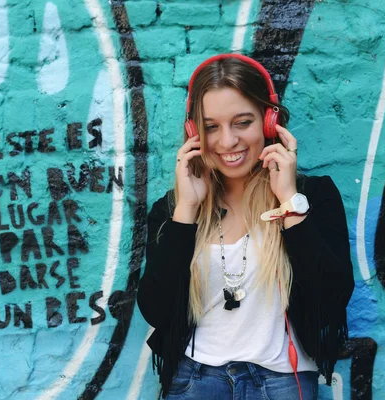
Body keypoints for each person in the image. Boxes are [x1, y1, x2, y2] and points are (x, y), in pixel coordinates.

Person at [137, 54, 354, 400]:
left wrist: (289, 203)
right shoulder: (173, 210)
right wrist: (187, 211)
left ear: (269, 123)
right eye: (210, 127)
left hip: (282, 381)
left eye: (242, 122)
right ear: (194, 133)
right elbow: (157, 311)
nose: (227, 141)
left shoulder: (311, 196)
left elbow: (331, 299)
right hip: (193, 381)